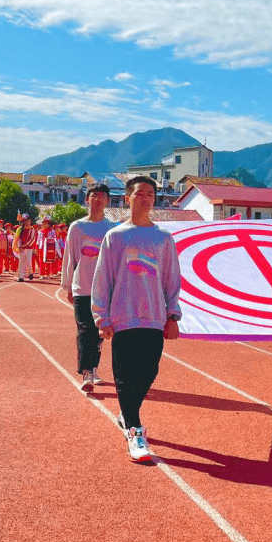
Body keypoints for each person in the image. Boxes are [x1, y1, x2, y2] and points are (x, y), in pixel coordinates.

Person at [91, 176, 182, 463]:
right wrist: (101, 317)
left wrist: (173, 314)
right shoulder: (115, 237)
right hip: (123, 317)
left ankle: (126, 412)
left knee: (149, 372)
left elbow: (172, 278)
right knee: (124, 377)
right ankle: (135, 431)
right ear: (127, 198)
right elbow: (103, 278)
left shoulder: (163, 238)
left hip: (154, 317)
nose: (146, 198)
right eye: (140, 193)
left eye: (151, 194)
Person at [63, 184, 116, 392]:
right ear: (87, 199)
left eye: (103, 196)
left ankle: (94, 368)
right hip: (82, 287)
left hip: (104, 289)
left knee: (99, 332)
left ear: (107, 201)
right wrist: (68, 285)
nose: (98, 199)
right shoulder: (77, 227)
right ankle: (86, 372)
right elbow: (71, 257)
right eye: (94, 195)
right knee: (84, 329)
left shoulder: (111, 228)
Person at [13, 213, 39, 281]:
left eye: (28, 220)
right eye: (25, 220)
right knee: (21, 262)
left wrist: (24, 245)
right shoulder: (21, 229)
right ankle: (21, 277)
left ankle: (30, 272)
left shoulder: (32, 229)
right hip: (21, 248)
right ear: (23, 222)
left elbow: (32, 240)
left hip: (29, 248)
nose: (27, 222)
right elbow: (18, 239)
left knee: (28, 261)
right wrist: (19, 247)